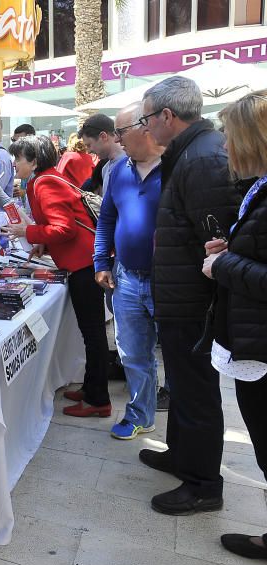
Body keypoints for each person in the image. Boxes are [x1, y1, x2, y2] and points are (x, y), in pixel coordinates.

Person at [139, 76, 241, 515]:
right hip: (180, 295)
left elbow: (216, 238)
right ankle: (181, 456)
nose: (144, 128)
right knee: (181, 384)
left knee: (196, 390)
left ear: (167, 116)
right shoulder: (190, 153)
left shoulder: (201, 159)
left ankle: (203, 484)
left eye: (147, 119)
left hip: (193, 300)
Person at [203, 91, 267, 565]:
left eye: (229, 134)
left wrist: (224, 267)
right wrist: (232, 251)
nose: (224, 145)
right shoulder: (259, 191)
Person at [7, 136, 111, 418]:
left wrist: (27, 233)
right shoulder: (46, 178)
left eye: (19, 159)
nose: (15, 164)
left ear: (35, 161)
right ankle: (92, 389)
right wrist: (42, 242)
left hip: (83, 264)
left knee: (93, 333)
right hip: (82, 262)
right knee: (92, 332)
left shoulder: (45, 182)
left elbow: (64, 229)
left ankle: (98, 399)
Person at [92, 102, 164, 440]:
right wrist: (101, 262)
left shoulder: (178, 167)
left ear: (145, 128)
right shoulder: (119, 170)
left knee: (179, 359)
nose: (117, 139)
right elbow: (106, 219)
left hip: (170, 282)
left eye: (121, 132)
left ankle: (185, 427)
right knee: (133, 353)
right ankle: (140, 414)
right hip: (127, 278)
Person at [79, 113, 124, 196]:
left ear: (103, 136)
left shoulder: (132, 163)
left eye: (89, 145)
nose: (88, 151)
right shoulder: (105, 168)